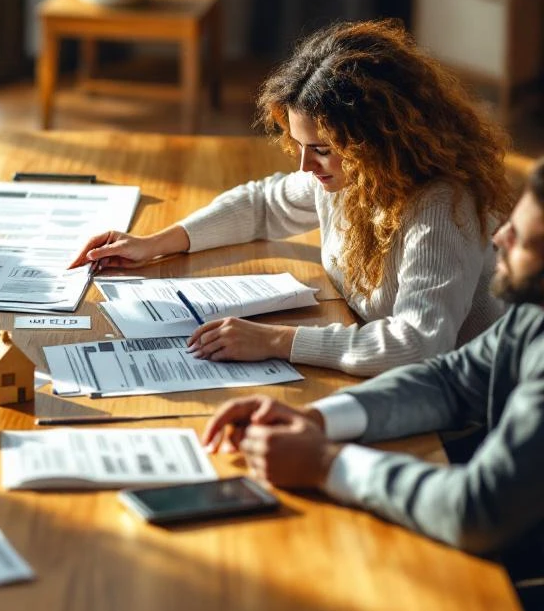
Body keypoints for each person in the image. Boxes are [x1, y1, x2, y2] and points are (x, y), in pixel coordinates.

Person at [70, 19, 512, 376]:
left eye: (321, 149)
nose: (304, 166)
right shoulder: (353, 178)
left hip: (470, 406)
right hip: (375, 361)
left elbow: (417, 345)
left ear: (377, 141)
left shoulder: (441, 208)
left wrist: (276, 340)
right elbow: (262, 204)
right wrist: (152, 244)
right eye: (299, 145)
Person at [202, 156, 544, 560]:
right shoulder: (532, 308)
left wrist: (325, 463)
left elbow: (478, 511)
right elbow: (451, 381)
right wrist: (317, 419)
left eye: (523, 240)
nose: (500, 236)